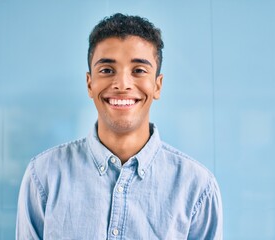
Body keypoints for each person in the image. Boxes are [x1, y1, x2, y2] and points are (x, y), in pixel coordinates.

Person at [16, 13, 223, 239]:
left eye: (138, 70)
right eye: (107, 70)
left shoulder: (197, 187)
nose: (122, 84)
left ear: (157, 85)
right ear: (89, 83)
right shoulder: (44, 174)